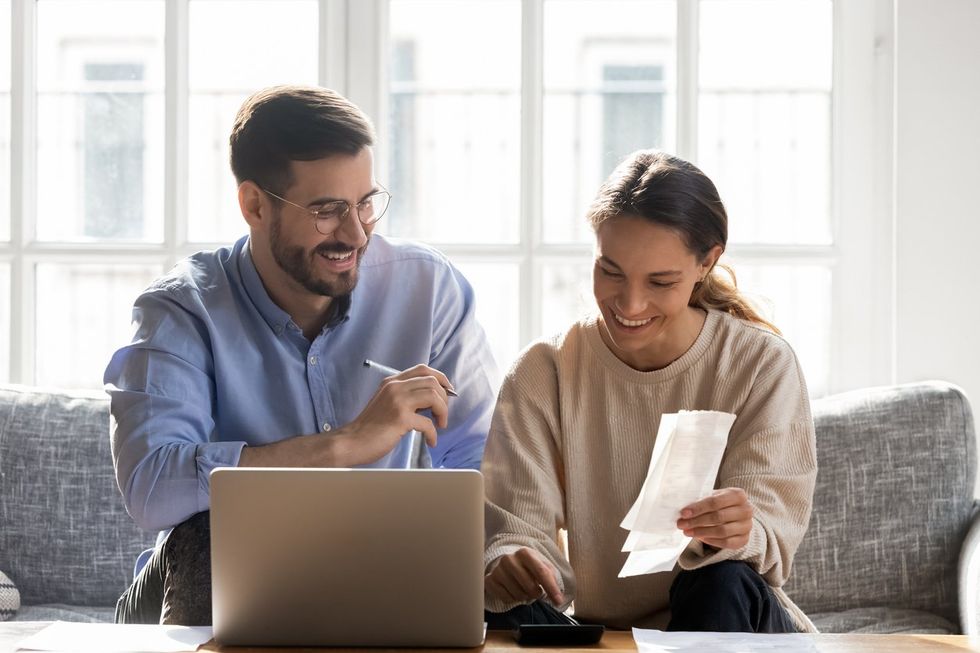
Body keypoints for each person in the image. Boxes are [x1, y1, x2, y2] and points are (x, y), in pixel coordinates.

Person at [104, 85, 499, 625]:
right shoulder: (181, 311)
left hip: (374, 571)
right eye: (327, 210)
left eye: (365, 203)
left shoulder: (428, 290)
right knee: (207, 531)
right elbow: (151, 488)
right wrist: (342, 446)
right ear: (254, 205)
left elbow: (482, 460)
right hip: (205, 581)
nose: (355, 233)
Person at [482, 150, 817, 633]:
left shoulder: (759, 363)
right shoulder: (546, 370)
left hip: (729, 620)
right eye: (610, 271)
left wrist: (741, 529)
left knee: (719, 580)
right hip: (601, 631)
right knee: (486, 602)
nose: (630, 304)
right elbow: (517, 526)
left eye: (661, 281)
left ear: (707, 262)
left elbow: (770, 536)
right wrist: (513, 560)